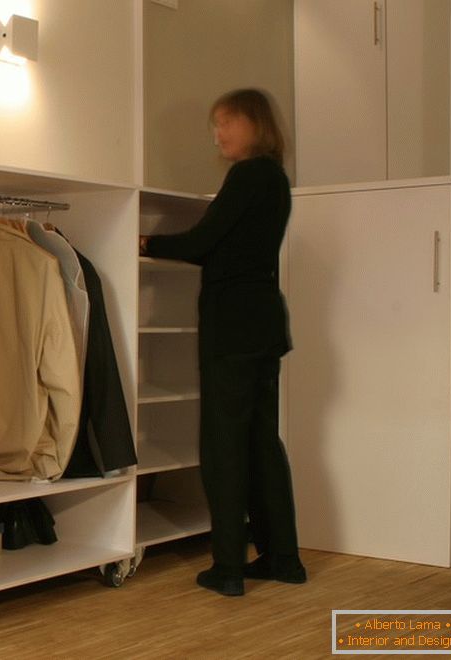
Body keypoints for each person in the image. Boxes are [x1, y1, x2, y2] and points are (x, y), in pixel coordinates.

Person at [143, 88, 307, 597]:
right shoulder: (276, 180)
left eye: (226, 123)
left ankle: (228, 568)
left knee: (224, 447)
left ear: (254, 124)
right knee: (261, 443)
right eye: (215, 126)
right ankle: (284, 560)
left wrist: (147, 242)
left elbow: (199, 244)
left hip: (232, 329)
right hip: (263, 326)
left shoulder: (247, 175)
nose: (218, 135)